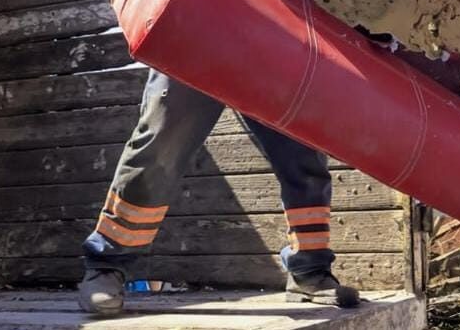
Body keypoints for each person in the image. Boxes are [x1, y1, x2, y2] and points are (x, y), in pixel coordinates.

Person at [77, 69, 360, 314]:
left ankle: (309, 271)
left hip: (275, 29)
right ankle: (106, 261)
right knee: (161, 144)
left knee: (303, 147)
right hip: (193, 26)